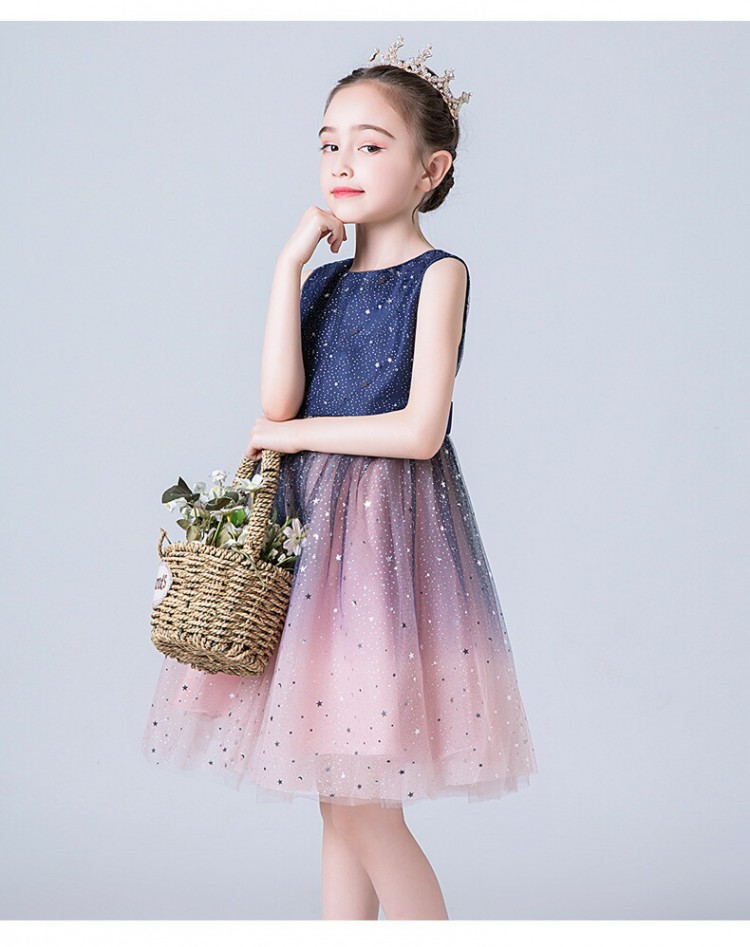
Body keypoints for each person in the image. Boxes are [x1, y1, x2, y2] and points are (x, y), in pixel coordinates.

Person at [143, 36, 537, 921]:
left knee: (361, 797)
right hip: (313, 535)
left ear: (431, 170)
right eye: (329, 143)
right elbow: (275, 400)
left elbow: (420, 431)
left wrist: (291, 434)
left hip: (384, 544)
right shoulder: (320, 284)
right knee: (336, 794)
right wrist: (287, 268)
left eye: (370, 144)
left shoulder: (439, 274)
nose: (343, 163)